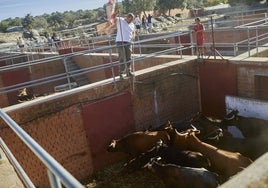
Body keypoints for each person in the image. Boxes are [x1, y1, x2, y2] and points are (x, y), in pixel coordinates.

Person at [114, 11, 135, 79]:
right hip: (120, 42)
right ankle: (121, 73)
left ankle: (128, 72)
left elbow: (133, 32)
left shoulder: (132, 24)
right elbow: (112, 18)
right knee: (122, 58)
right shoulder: (121, 20)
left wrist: (133, 36)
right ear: (127, 17)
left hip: (128, 42)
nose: (130, 20)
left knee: (129, 58)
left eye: (132, 19)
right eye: (130, 19)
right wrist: (116, 13)